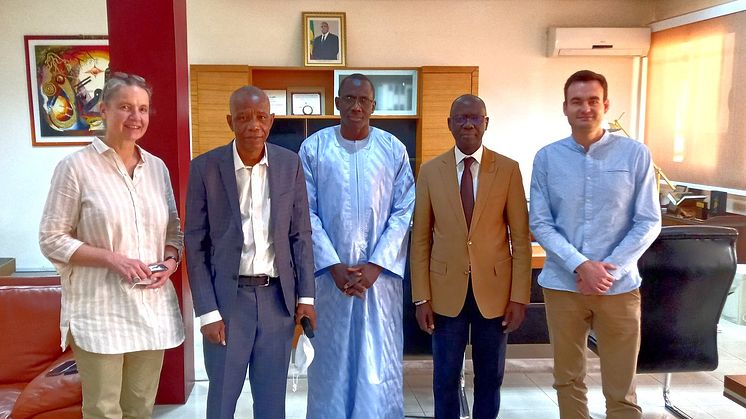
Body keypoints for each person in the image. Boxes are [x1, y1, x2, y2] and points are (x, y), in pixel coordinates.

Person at [39, 72, 184, 419]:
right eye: (125, 107)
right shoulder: (75, 168)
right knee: (103, 410)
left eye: (143, 109)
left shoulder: (157, 168)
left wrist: (170, 261)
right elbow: (51, 239)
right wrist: (111, 259)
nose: (136, 117)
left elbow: (174, 231)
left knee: (140, 407)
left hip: (150, 309)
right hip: (99, 310)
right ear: (103, 110)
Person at [529, 70, 662, 419]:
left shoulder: (635, 155)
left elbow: (648, 219)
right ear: (565, 107)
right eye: (577, 101)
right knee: (568, 379)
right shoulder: (547, 158)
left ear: (605, 105)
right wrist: (581, 265)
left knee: (622, 387)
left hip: (618, 288)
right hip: (563, 284)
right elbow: (540, 222)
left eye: (592, 101)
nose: (584, 108)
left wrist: (608, 269)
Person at [184, 86, 316, 419]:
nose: (253, 125)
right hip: (229, 304)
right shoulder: (205, 168)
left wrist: (307, 298)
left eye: (260, 117)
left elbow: (301, 234)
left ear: (271, 120)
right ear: (231, 121)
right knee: (222, 400)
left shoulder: (289, 164)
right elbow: (195, 243)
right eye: (243, 118)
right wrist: (207, 312)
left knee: (272, 403)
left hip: (277, 302)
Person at [299, 73, 415, 418]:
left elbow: (403, 210)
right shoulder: (314, 148)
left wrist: (376, 265)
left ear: (373, 106)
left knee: (376, 362)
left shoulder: (393, 150)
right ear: (337, 103)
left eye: (363, 100)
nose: (356, 106)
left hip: (380, 283)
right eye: (348, 99)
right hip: (329, 281)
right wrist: (332, 265)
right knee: (331, 363)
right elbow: (306, 212)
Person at [410, 94, 532, 418]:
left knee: (490, 378)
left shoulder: (507, 170)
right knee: (444, 378)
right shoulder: (430, 171)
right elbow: (420, 239)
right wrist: (421, 297)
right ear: (449, 124)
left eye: (475, 118)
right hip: (445, 292)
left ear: (486, 124)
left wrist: (520, 297)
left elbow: (520, 239)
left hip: (494, 294)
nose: (468, 124)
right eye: (461, 118)